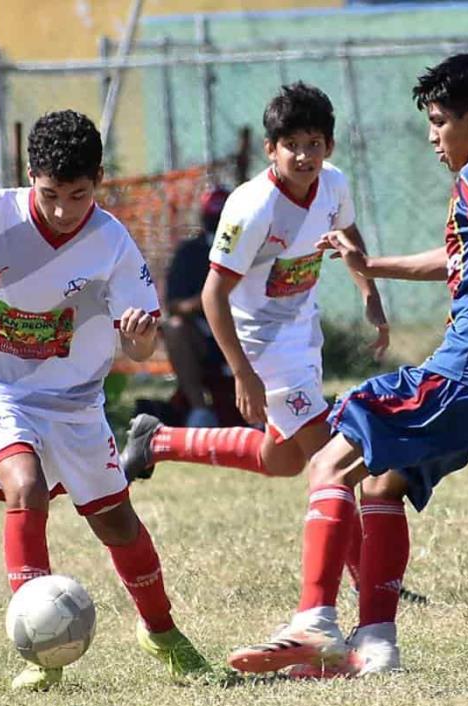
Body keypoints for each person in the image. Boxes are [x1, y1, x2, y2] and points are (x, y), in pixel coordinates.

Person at [226, 53, 468, 678]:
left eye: (438, 122)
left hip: (464, 374)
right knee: (382, 483)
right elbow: (455, 260)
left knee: (328, 458)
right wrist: (371, 266)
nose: (432, 138)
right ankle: (375, 649)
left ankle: (314, 623)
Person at [0, 110, 210, 691]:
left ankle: (163, 632)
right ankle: (38, 649)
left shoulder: (112, 244)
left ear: (98, 179)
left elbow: (142, 343)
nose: (61, 210)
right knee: (22, 483)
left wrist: (138, 334)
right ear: (30, 177)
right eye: (49, 194)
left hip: (73, 400)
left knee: (117, 523)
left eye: (78, 195)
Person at [119, 82, 388, 507]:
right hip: (263, 346)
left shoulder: (333, 184)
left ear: (329, 145)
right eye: (291, 145)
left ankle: (160, 440)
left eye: (313, 144)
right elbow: (212, 296)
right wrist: (243, 373)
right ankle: (365, 574)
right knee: (331, 460)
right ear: (270, 149)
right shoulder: (253, 207)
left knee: (281, 459)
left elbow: (349, 234)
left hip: (302, 332)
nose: (303, 156)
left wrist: (370, 294)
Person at [158, 185, 239, 428]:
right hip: (204, 334)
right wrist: (210, 299)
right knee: (174, 328)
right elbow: (174, 306)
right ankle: (199, 411)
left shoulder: (252, 247)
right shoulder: (190, 252)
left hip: (245, 329)